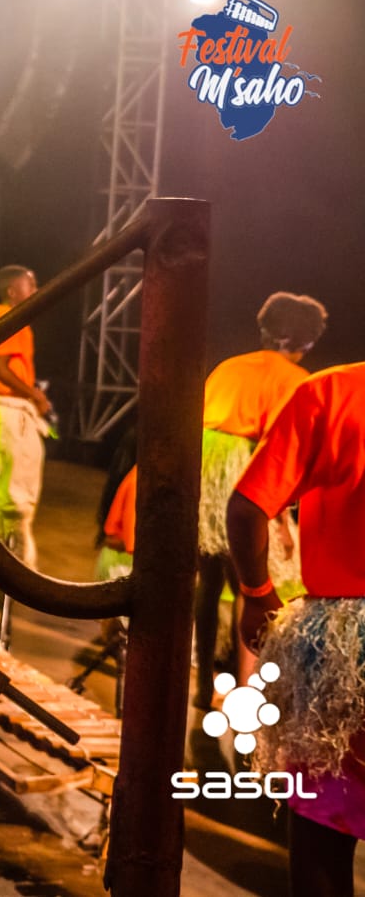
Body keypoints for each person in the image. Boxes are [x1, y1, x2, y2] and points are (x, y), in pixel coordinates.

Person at [229, 360, 365, 897]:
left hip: (340, 650)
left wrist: (257, 597)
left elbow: (245, 507)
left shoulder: (331, 391)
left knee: (322, 833)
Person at [194, 291, 325, 707]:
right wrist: (283, 524)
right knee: (250, 585)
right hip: (243, 473)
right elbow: (276, 457)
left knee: (207, 584)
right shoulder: (294, 380)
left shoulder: (228, 368)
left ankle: (200, 685)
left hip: (201, 476)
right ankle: (246, 689)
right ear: (305, 343)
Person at [0, 265, 52, 570]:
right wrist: (33, 394)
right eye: (31, 284)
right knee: (13, 496)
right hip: (9, 411)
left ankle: (13, 570)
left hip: (15, 411)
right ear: (12, 291)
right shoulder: (5, 315)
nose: (36, 290)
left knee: (18, 492)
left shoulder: (18, 322)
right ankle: (10, 573)